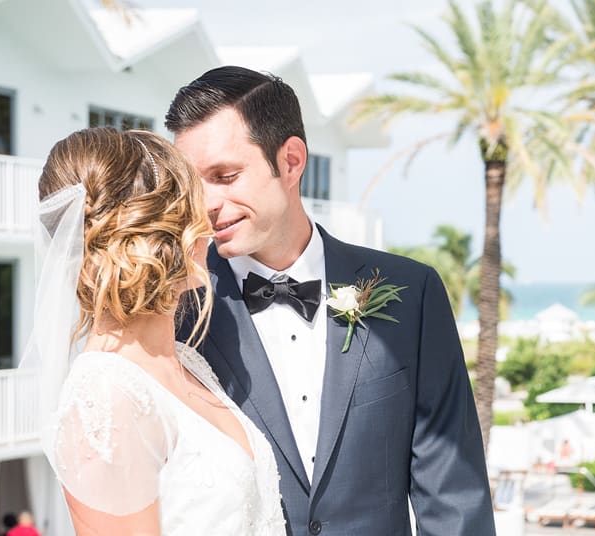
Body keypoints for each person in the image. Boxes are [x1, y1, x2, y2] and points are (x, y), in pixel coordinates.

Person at [166, 65, 495, 535]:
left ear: (292, 161)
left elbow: (454, 499)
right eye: (193, 182)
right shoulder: (177, 312)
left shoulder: (412, 294)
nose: (206, 203)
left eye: (225, 175)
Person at [33, 128, 285, 534]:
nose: (209, 216)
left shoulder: (188, 360)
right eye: (194, 201)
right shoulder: (104, 396)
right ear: (162, 232)